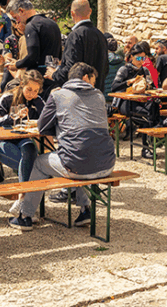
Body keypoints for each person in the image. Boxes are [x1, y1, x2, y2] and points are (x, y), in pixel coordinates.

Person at [9, 63, 115, 231]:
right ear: (85, 78)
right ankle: (85, 210)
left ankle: (25, 215)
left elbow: (43, 127)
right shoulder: (99, 95)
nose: (93, 85)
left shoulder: (58, 96)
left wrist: (61, 129)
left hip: (78, 164)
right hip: (107, 164)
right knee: (82, 155)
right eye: (93, 81)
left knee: (40, 162)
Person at [0, 70, 44, 210]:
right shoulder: (8, 97)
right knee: (32, 167)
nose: (32, 94)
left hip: (22, 138)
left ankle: (22, 202)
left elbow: (47, 119)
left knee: (30, 149)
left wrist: (40, 104)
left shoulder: (37, 100)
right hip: (1, 140)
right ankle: (26, 207)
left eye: (36, 91)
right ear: (22, 85)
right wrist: (12, 117)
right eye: (29, 89)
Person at [47, 0, 108, 93]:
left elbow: (71, 68)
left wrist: (54, 74)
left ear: (72, 13)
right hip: (97, 93)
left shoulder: (75, 35)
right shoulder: (100, 35)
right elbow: (105, 67)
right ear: (90, 11)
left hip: (78, 93)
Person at [7, 0, 61, 97]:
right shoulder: (52, 24)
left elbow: (33, 57)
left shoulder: (31, 25)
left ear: (21, 11)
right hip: (53, 77)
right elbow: (59, 54)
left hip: (38, 82)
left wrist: (17, 65)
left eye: (15, 17)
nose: (17, 22)